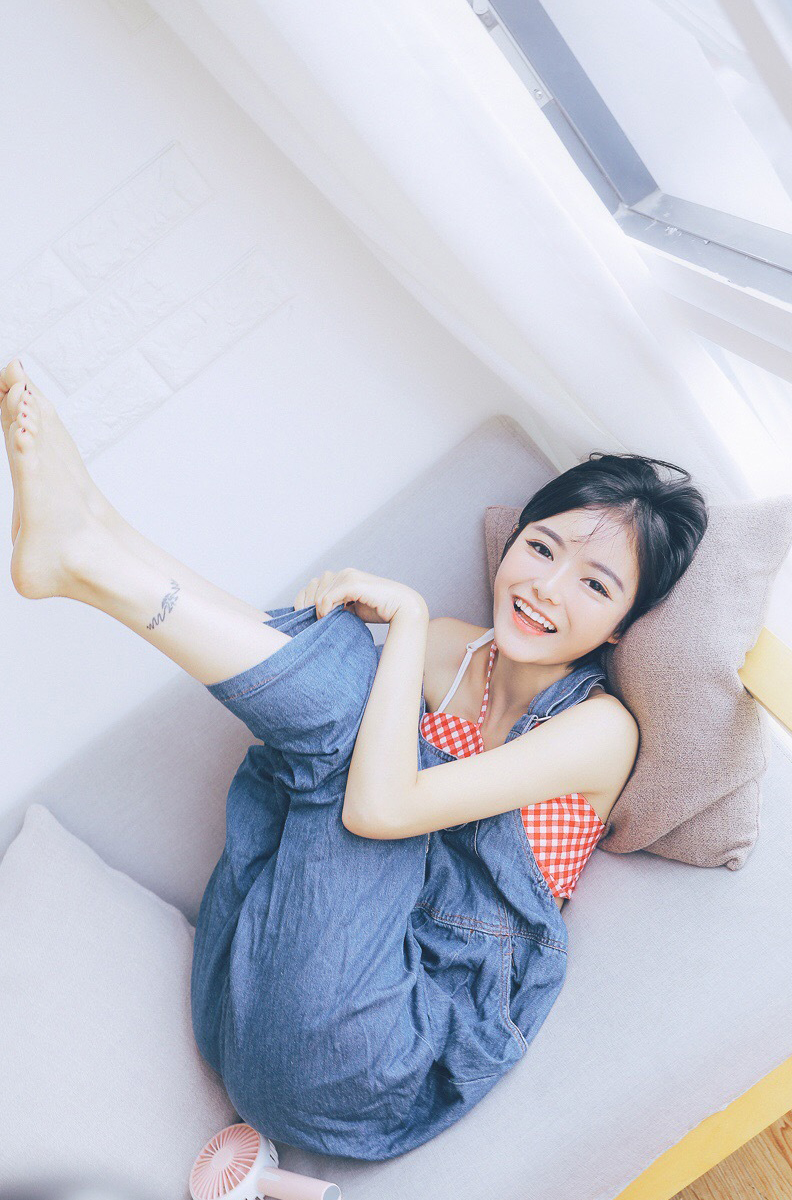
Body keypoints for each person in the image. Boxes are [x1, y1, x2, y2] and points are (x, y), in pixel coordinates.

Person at [0, 359, 708, 1161]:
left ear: (622, 627)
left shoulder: (598, 730)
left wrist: (406, 619)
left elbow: (380, 809)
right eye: (541, 547)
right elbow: (284, 663)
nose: (548, 586)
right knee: (333, 657)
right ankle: (97, 534)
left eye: (595, 585)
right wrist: (410, 637)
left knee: (354, 713)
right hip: (245, 989)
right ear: (512, 542)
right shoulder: (453, 651)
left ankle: (90, 557)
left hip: (370, 1059)